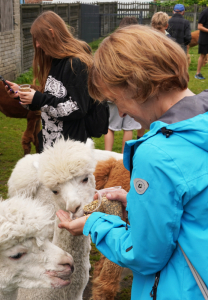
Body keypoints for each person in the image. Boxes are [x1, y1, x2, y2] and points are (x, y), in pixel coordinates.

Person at [57, 25, 208, 299]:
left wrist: (94, 224)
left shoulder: (157, 155)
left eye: (116, 100)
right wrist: (138, 202)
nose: (122, 111)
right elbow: (193, 210)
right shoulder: (201, 125)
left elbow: (146, 254)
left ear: (135, 84)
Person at [5, 11, 94, 152]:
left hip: (70, 150)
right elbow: (50, 103)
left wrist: (39, 98)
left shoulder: (75, 63)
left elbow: (76, 108)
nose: (38, 45)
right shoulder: (54, 61)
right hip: (51, 147)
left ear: (51, 33)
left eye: (39, 39)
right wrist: (24, 96)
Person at [104, 16, 141, 152]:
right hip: (132, 92)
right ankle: (124, 158)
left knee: (109, 126)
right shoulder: (140, 46)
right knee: (129, 127)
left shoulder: (110, 44)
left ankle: (107, 155)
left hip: (113, 91)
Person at [195, 7, 208, 80]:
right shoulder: (205, 12)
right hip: (204, 38)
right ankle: (197, 73)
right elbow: (199, 26)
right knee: (203, 55)